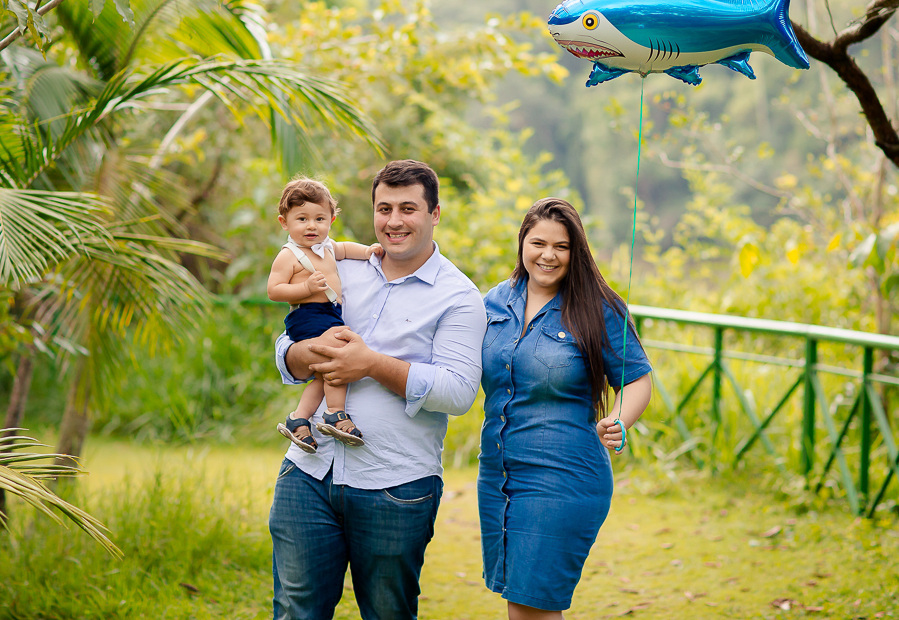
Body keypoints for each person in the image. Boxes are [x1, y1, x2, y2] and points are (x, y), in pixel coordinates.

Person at [268, 160, 486, 620]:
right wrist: (305, 355)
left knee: (388, 613)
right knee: (295, 612)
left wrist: (371, 364)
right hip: (308, 471)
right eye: (383, 208)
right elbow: (287, 349)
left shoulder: (459, 296)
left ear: (435, 214)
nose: (394, 221)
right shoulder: (345, 265)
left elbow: (459, 391)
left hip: (395, 483)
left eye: (408, 208)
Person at [479, 197, 653, 619]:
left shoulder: (599, 307)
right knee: (519, 602)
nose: (548, 255)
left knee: (534, 603)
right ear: (522, 242)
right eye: (538, 242)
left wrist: (619, 421)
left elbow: (636, 379)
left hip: (564, 476)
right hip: (499, 475)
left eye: (561, 246)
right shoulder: (494, 302)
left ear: (576, 251)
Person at [267, 177, 382, 451]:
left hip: (329, 313)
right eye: (302, 219)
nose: (311, 226)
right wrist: (305, 287)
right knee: (343, 347)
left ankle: (299, 418)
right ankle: (335, 412)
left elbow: (345, 248)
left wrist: (368, 251)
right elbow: (274, 290)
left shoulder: (328, 247)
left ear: (330, 221)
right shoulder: (289, 255)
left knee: (326, 371)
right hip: (306, 314)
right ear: (285, 223)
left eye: (320, 219)